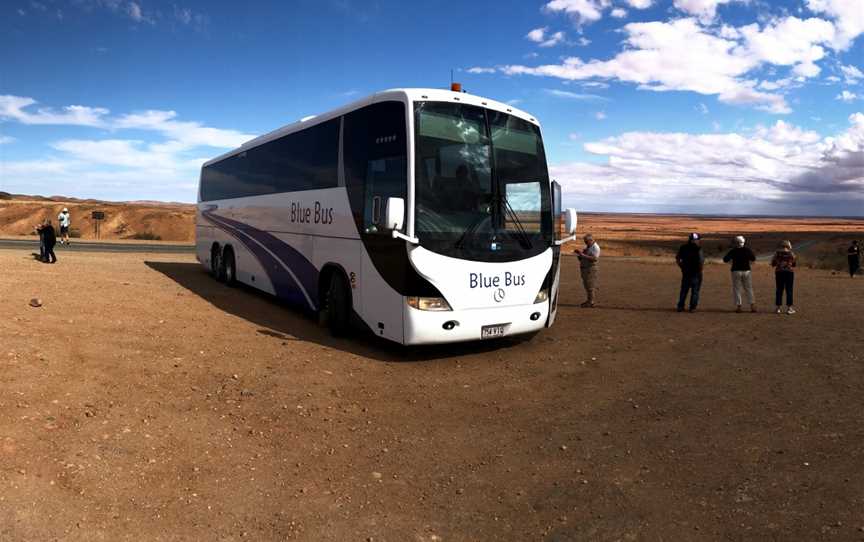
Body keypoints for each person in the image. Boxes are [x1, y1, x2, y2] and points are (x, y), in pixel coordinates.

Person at [722, 235, 757, 313]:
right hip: (746, 271)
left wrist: (731, 261)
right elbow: (753, 258)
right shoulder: (747, 250)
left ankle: (739, 307)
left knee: (737, 289)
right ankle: (752, 306)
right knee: (748, 288)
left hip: (736, 271)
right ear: (743, 242)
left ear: (735, 243)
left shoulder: (733, 251)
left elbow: (725, 259)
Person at [676, 233, 705, 313]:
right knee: (695, 291)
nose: (699, 241)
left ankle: (680, 306)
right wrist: (700, 271)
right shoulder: (699, 249)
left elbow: (678, 259)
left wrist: (682, 267)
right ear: (695, 240)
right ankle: (692, 307)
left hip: (686, 273)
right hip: (696, 273)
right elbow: (701, 261)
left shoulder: (683, 247)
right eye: (698, 239)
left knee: (684, 290)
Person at [574, 233, 600, 307]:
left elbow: (595, 259)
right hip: (585, 268)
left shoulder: (595, 248)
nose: (585, 243)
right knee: (587, 286)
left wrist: (582, 255)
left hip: (590, 269)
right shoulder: (589, 247)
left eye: (586, 241)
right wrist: (579, 254)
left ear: (591, 240)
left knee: (590, 286)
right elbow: (583, 258)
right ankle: (589, 300)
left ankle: (591, 302)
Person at [770, 240, 796, 314]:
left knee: (779, 290)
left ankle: (778, 308)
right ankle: (789, 308)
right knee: (789, 290)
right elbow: (794, 264)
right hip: (789, 273)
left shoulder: (777, 253)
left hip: (779, 273)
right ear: (789, 246)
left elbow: (773, 263)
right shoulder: (791, 253)